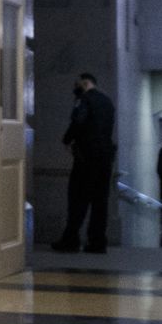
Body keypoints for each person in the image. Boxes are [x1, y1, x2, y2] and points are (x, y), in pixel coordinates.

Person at [54, 72, 116, 253]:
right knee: (100, 202)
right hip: (105, 158)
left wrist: (67, 140)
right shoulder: (107, 102)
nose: (75, 88)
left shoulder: (84, 100)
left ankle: (70, 239)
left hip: (86, 157)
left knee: (78, 199)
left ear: (85, 83)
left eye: (77, 84)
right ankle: (97, 242)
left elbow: (78, 121)